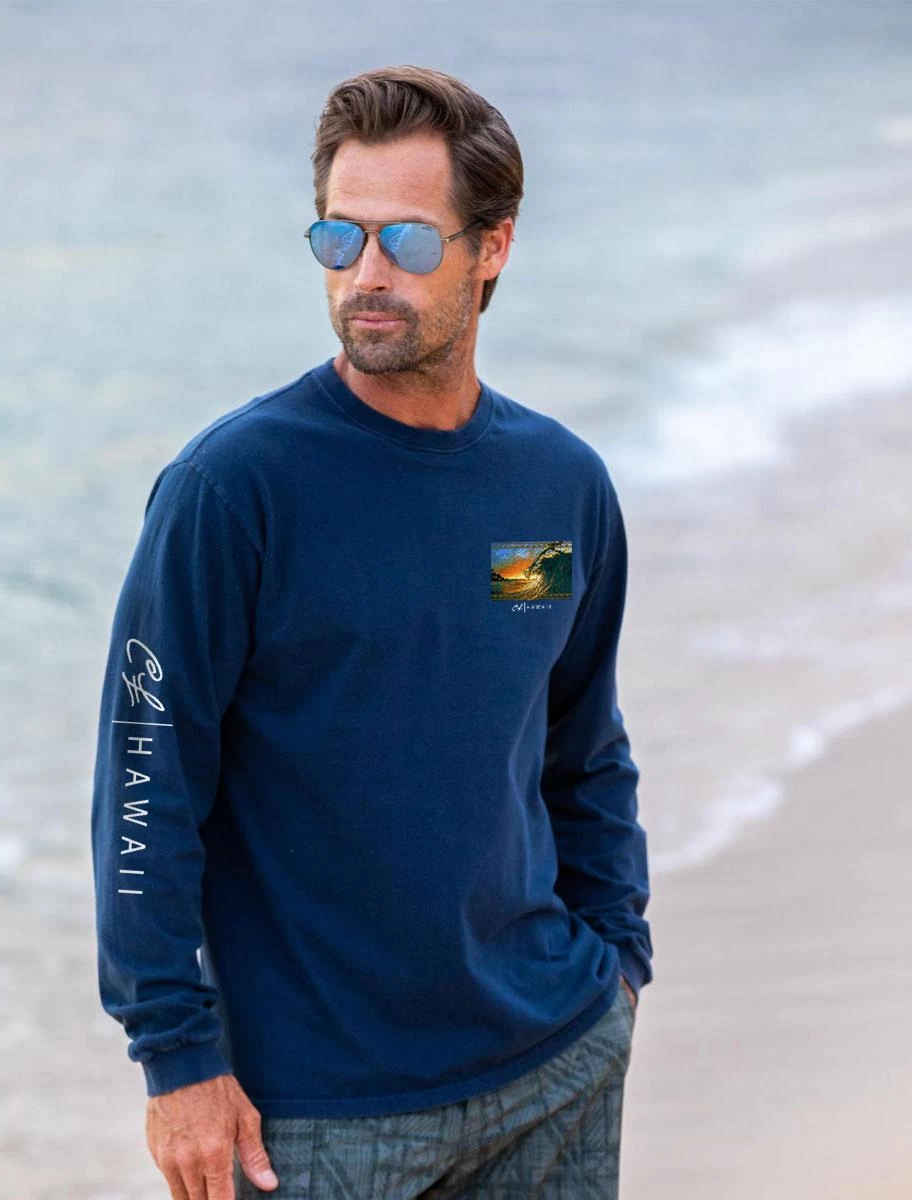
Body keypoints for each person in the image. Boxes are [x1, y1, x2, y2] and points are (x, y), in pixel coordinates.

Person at [90, 64, 652, 1200]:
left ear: (492, 247)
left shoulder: (556, 487)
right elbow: (147, 775)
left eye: (406, 239)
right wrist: (176, 1056)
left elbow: (580, 741)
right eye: (339, 238)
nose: (367, 275)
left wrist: (618, 960)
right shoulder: (234, 488)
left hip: (554, 1062)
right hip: (310, 1116)